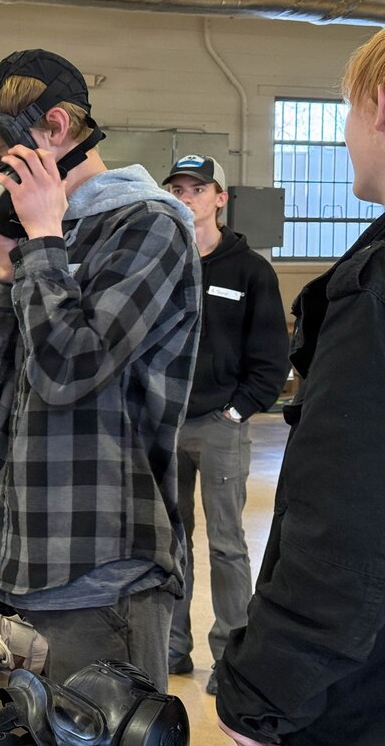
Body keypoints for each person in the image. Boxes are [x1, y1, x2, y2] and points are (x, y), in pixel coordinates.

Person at [0, 49, 201, 689]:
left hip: (99, 574)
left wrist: (40, 245)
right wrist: (7, 269)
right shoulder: (43, 236)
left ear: (56, 127)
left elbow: (68, 371)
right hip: (17, 566)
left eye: (4, 145)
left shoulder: (148, 225)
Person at [215, 29, 385, 746]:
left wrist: (259, 700)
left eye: (346, 111)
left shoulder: (375, 295)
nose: (346, 136)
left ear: (380, 108)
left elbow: (345, 532)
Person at [162, 154, 290, 695]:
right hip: (164, 426)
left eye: (197, 189)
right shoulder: (161, 260)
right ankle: (172, 645)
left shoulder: (250, 269)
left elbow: (271, 357)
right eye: (178, 189)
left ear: (220, 198)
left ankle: (232, 655)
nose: (187, 197)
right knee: (171, 542)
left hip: (220, 425)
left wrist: (238, 410)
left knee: (228, 544)